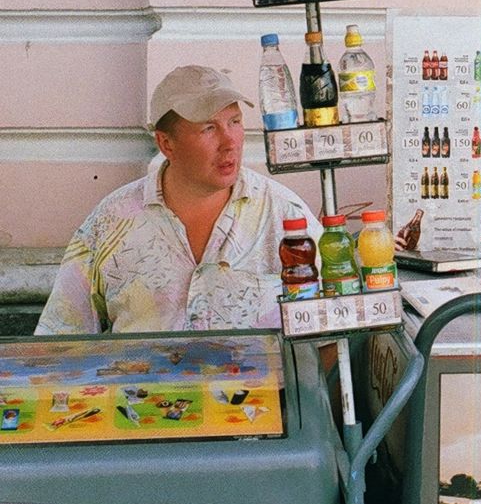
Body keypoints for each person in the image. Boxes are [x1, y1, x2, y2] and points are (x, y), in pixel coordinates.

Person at [36, 65, 320, 335]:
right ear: (166, 144)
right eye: (209, 128)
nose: (229, 142)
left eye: (234, 122)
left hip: (262, 387)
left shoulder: (284, 213)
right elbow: (61, 337)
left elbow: (337, 330)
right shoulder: (111, 221)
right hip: (142, 386)